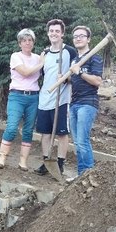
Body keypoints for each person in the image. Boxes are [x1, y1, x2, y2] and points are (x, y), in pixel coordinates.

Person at [0, 28, 45, 171]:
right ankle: (2, 157)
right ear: (20, 43)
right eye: (24, 40)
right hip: (17, 96)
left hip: (33, 97)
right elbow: (25, 72)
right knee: (12, 128)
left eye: (30, 40)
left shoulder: (37, 58)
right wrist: (42, 63)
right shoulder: (16, 56)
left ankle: (23, 161)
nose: (27, 43)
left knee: (28, 130)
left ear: (33, 42)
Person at [35, 18, 76, 176]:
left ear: (62, 34)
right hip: (45, 99)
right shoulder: (44, 53)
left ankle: (60, 163)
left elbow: (76, 76)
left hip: (61, 100)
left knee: (61, 134)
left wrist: (66, 78)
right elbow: (43, 75)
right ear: (48, 33)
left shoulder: (69, 52)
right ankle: (46, 162)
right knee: (45, 133)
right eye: (51, 31)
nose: (54, 33)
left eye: (57, 31)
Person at [69, 26, 103, 175]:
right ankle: (80, 176)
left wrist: (80, 72)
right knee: (77, 143)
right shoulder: (75, 60)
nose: (78, 38)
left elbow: (97, 81)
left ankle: (88, 175)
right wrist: (66, 79)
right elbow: (74, 80)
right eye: (75, 36)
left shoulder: (95, 57)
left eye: (82, 36)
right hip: (74, 103)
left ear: (88, 39)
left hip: (88, 103)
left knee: (83, 141)